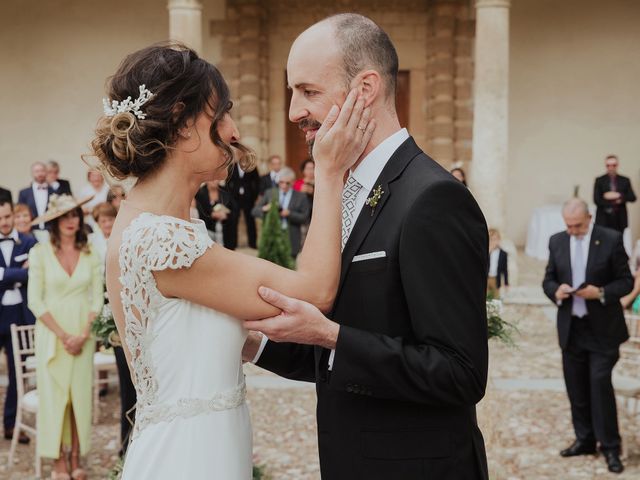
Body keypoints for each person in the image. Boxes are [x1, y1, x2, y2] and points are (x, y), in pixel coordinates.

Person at [86, 43, 372, 478]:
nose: (234, 131)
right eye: (221, 114)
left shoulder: (161, 225)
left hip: (205, 446)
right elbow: (314, 292)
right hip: (189, 460)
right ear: (183, 123)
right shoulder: (162, 241)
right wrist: (329, 172)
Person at [243, 14, 489, 480]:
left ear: (366, 88)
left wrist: (331, 336)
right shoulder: (340, 187)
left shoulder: (433, 199)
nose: (294, 111)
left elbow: (460, 373)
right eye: (292, 93)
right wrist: (253, 345)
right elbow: (338, 342)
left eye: (308, 91)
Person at [542, 198, 632, 474]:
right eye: (568, 225)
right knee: (576, 388)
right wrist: (555, 291)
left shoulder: (611, 239)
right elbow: (548, 279)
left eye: (577, 225)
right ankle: (584, 439)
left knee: (598, 384)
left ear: (589, 218)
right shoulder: (556, 241)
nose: (572, 230)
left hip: (603, 329)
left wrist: (601, 293)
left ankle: (610, 446)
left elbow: (626, 281)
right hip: (572, 328)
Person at [27, 194, 104, 480]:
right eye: (65, 216)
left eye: (75, 215)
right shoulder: (39, 252)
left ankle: (76, 456)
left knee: (79, 397)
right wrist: (63, 336)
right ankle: (57, 458)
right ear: (55, 221)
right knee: (55, 397)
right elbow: (35, 301)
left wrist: (83, 335)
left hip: (83, 333)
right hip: (52, 334)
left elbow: (97, 299)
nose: (71, 221)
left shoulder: (90, 252)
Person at [0, 199, 37, 445]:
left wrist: (4, 274)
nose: (3, 222)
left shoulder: (29, 242)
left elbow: (34, 273)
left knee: (18, 374)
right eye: (0, 218)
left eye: (6, 217)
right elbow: (23, 273)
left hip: (20, 318)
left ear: (13, 216)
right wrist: (17, 274)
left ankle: (12, 424)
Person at [252, 167, 311, 257]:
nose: (284, 186)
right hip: (271, 238)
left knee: (290, 269)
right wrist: (265, 209)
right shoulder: (270, 193)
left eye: (287, 183)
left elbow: (304, 218)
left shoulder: (300, 196)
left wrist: (289, 214)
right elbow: (254, 211)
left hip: (291, 239)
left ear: (293, 182)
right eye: (281, 182)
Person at [593, 155, 636, 233]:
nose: (611, 167)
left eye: (614, 165)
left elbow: (632, 197)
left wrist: (619, 195)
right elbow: (596, 200)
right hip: (604, 218)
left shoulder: (625, 180)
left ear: (617, 165)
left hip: (619, 218)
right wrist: (608, 199)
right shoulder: (599, 180)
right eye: (608, 165)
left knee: (618, 241)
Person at [194, 180, 238, 248]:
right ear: (207, 180)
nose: (214, 181)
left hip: (225, 230)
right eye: (212, 179)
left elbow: (234, 209)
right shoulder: (200, 193)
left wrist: (226, 215)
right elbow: (199, 213)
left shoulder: (225, 191)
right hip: (208, 229)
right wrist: (212, 215)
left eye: (216, 179)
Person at [227, 162, 260, 249]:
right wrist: (230, 196)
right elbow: (227, 182)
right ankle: (232, 244)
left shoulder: (252, 166)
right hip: (235, 199)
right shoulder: (232, 167)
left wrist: (254, 196)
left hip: (248, 199)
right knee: (233, 221)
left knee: (250, 221)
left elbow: (257, 181)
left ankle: (252, 243)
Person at [18, 161, 53, 231]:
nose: (40, 174)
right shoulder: (24, 193)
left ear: (46, 172)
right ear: (32, 173)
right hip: (31, 231)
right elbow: (20, 213)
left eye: (42, 171)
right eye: (37, 171)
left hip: (51, 230)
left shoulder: (54, 191)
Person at [488, 228, 508, 297]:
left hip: (496, 279)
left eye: (495, 239)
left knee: (495, 297)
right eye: (491, 239)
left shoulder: (503, 253)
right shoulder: (486, 252)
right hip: (487, 278)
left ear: (499, 240)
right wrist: (489, 251)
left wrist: (506, 283)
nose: (493, 242)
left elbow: (505, 269)